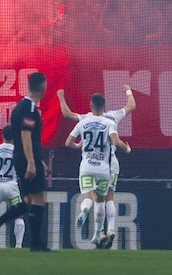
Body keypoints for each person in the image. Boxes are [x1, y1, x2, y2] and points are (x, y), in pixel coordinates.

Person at [58, 85, 136, 249]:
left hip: (88, 164)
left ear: (91, 105)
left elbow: (67, 114)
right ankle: (109, 230)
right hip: (109, 164)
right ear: (105, 105)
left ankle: (97, 232)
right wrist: (128, 91)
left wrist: (61, 97)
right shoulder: (112, 118)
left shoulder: (85, 119)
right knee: (109, 198)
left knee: (94, 199)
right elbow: (131, 107)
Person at [0, 72, 52, 252]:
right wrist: (32, 162)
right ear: (43, 86)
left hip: (22, 156)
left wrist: (38, 161)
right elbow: (25, 135)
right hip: (26, 157)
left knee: (29, 200)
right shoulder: (30, 108)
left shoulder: (20, 107)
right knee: (39, 198)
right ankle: (36, 244)